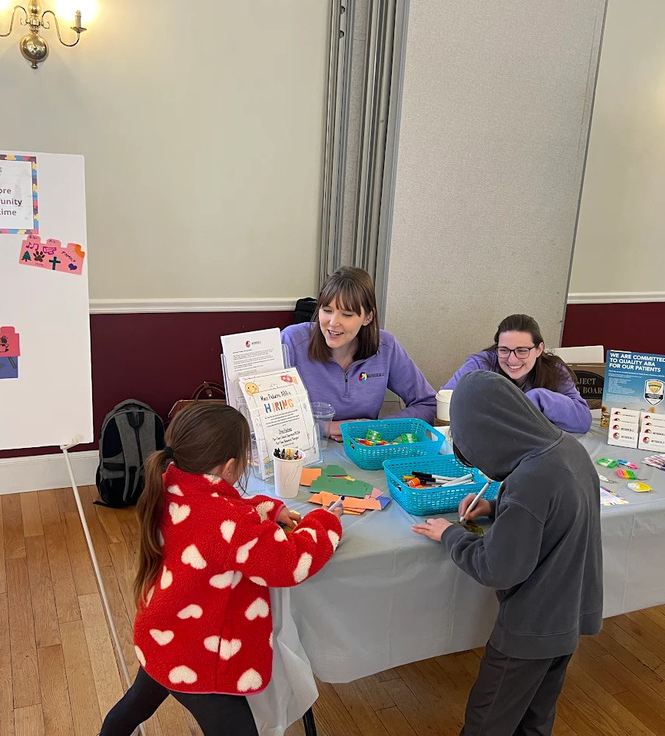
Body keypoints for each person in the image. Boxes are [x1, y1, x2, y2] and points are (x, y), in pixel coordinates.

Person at [97, 402, 343, 736]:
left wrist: (267, 509)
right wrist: (325, 522)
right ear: (230, 467)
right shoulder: (230, 523)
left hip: (162, 634)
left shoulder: (172, 482)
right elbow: (290, 563)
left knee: (133, 707)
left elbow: (220, 509)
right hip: (201, 656)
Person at [412, 370, 603, 736]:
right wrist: (497, 507)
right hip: (568, 619)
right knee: (535, 720)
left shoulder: (529, 480)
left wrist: (451, 535)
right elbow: (557, 511)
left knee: (488, 722)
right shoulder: (567, 448)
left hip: (530, 628)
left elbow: (498, 568)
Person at [282, 266, 436, 438]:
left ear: (368, 317)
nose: (333, 323)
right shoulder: (291, 342)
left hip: (366, 452)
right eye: (327, 310)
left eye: (347, 315)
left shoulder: (386, 346)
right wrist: (327, 428)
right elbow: (263, 417)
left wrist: (378, 427)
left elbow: (429, 404)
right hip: (303, 450)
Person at [443, 314, 592, 433]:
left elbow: (583, 421)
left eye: (522, 351)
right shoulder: (480, 365)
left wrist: (539, 397)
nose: (512, 359)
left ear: (539, 349)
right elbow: (445, 401)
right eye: (504, 350)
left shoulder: (554, 371)